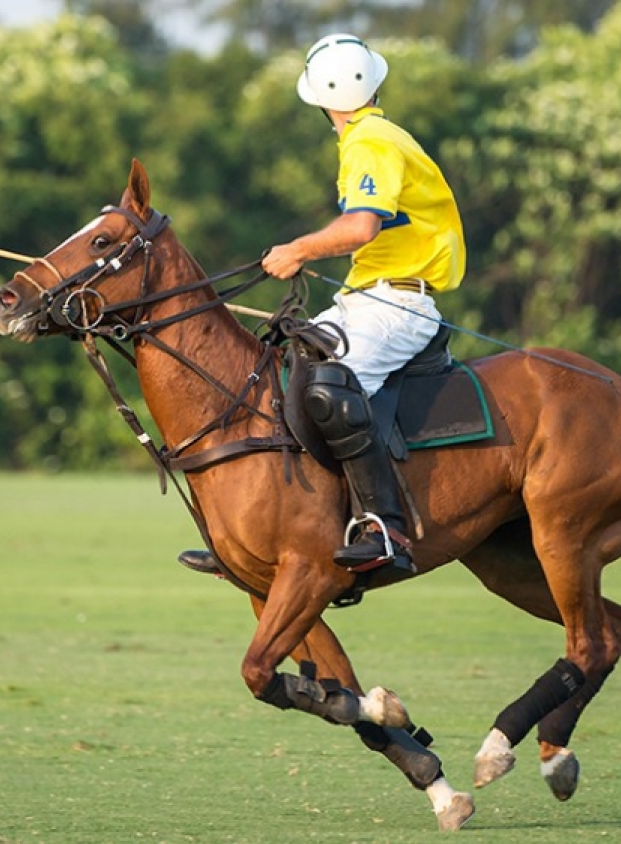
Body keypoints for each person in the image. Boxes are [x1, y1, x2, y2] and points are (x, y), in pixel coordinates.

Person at [180, 33, 466, 576]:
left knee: (329, 389)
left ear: (321, 99)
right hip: (369, 297)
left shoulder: (371, 142)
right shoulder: (369, 137)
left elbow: (360, 226)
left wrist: (299, 249)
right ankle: (265, 531)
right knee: (278, 370)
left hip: (399, 304)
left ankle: (382, 526)